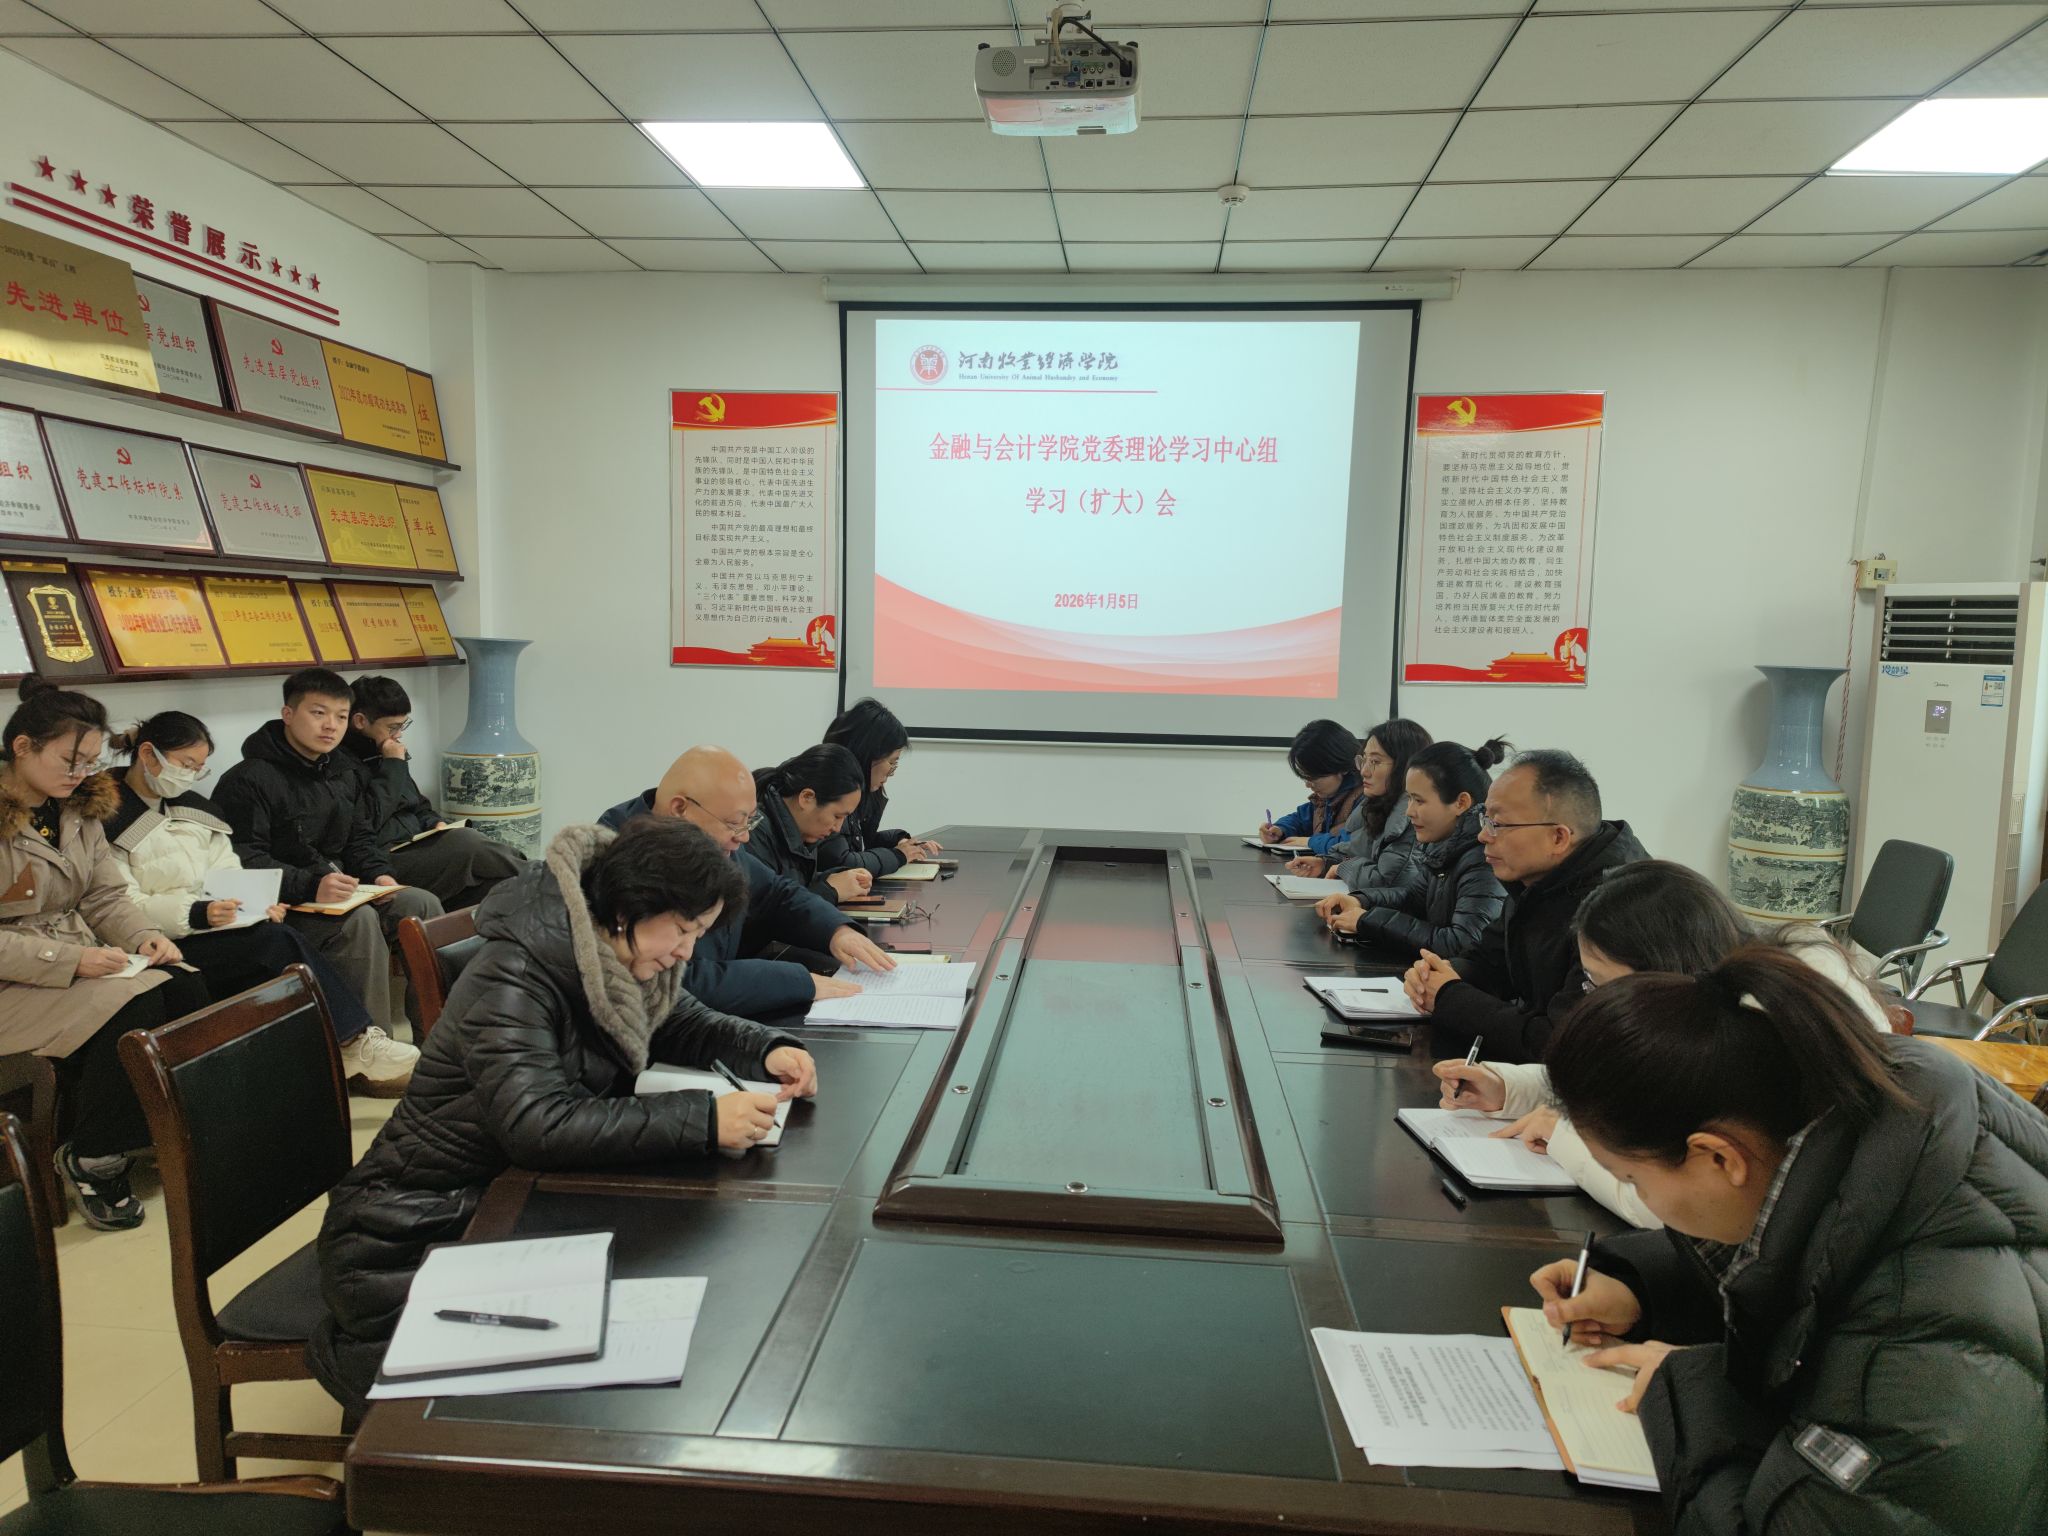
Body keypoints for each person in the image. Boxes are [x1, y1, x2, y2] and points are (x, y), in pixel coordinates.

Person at [309, 817, 821, 1415]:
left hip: (505, 1202)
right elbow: (538, 1126)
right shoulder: (516, 975)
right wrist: (704, 1119)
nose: (687, 951)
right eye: (683, 931)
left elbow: (679, 1020)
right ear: (629, 908)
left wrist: (766, 1047)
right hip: (409, 1235)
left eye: (698, 934)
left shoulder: (606, 951)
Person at [1526, 947, 2048, 1534]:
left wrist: (1689, 1390)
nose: (1636, 1196)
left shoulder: (1920, 1353)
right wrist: (1640, 1287)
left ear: (1718, 1157)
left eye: (1631, 1179)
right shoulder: (1875, 1106)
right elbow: (1810, 1248)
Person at [1431, 861, 1892, 1228]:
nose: (1597, 999)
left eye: (1601, 983)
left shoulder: (1755, 1035)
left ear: (1665, 969)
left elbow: (1664, 1207)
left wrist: (1565, 1137)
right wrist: (1510, 1088)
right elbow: (1622, 1084)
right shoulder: (1728, 986)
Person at [101, 710, 404, 1095]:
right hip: (159, 940)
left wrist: (257, 904)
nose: (191, 776)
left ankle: (337, 1054)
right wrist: (197, 913)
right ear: (148, 754)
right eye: (185, 764)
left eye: (199, 768)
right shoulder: (108, 817)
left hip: (214, 926)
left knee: (282, 934)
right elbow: (120, 902)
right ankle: (352, 1041)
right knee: (275, 945)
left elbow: (227, 869)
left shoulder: (194, 807)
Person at [0, 678, 207, 1230]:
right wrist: (71, 961)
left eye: (90, 762)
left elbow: (104, 897)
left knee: (184, 982)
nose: (81, 773)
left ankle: (162, 1132)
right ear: (22, 747)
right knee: (128, 1004)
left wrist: (143, 937)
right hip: (13, 981)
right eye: (70, 761)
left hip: (70, 962)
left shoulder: (78, 809)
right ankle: (94, 1156)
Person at [214, 668, 444, 1044]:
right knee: (359, 922)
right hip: (285, 902)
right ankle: (369, 1045)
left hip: (338, 889)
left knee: (420, 903)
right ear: (288, 714)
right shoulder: (248, 780)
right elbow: (243, 858)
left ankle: (437, 1039)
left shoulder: (340, 771)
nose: (330, 726)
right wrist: (311, 885)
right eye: (318, 713)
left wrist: (380, 875)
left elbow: (359, 838)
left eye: (340, 716)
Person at [598, 746, 894, 1019]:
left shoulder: (710, 843)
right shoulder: (619, 858)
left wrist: (836, 930)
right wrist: (796, 981)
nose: (744, 837)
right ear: (679, 809)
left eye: (749, 821)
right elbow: (676, 983)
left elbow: (775, 892)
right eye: (734, 823)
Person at [1403, 749, 1646, 1063]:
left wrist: (1449, 995)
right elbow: (1489, 961)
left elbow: (1559, 1041)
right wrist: (1437, 975)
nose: (1483, 835)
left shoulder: (1618, 910)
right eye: (1485, 819)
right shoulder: (1537, 878)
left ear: (1558, 838)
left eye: (1498, 824)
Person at [341, 674, 525, 908]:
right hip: (383, 858)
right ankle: (549, 878)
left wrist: (434, 823)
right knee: (467, 843)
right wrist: (393, 765)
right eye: (392, 727)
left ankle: (543, 886)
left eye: (403, 725)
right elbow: (369, 820)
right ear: (360, 721)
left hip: (418, 844)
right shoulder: (345, 764)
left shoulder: (385, 752)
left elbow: (419, 805)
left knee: (501, 885)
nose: (399, 734)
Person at [1316, 739, 1507, 959]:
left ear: (1461, 803)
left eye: (1419, 801)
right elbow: (1412, 899)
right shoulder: (1444, 845)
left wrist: (1366, 921)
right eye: (1409, 799)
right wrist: (1362, 901)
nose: (1409, 812)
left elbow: (1462, 944)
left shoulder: (1485, 858)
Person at [1286, 717, 1430, 883]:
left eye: (1375, 761)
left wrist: (1341, 867)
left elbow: (1385, 880)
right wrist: (1325, 864)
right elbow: (1355, 850)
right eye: (1364, 760)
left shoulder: (1410, 817)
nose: (1364, 771)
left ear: (1405, 766)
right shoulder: (1376, 804)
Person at [816, 697, 939, 877]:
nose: (892, 773)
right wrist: (898, 855)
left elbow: (861, 844)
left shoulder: (862, 793)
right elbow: (841, 862)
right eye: (892, 762)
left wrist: (899, 841)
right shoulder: (831, 791)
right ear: (867, 754)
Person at [748, 744, 873, 903]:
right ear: (807, 797)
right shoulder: (753, 833)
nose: (837, 828)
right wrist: (830, 890)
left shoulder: (803, 832)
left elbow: (799, 884)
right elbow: (766, 911)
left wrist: (841, 878)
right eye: (837, 816)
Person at [1258, 719, 1362, 853]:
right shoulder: (1327, 798)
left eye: (1313, 777)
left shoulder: (1366, 799)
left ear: (1342, 767)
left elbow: (1354, 844)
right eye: (1305, 777)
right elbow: (1300, 819)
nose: (1307, 785)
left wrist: (1310, 842)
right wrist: (1279, 830)